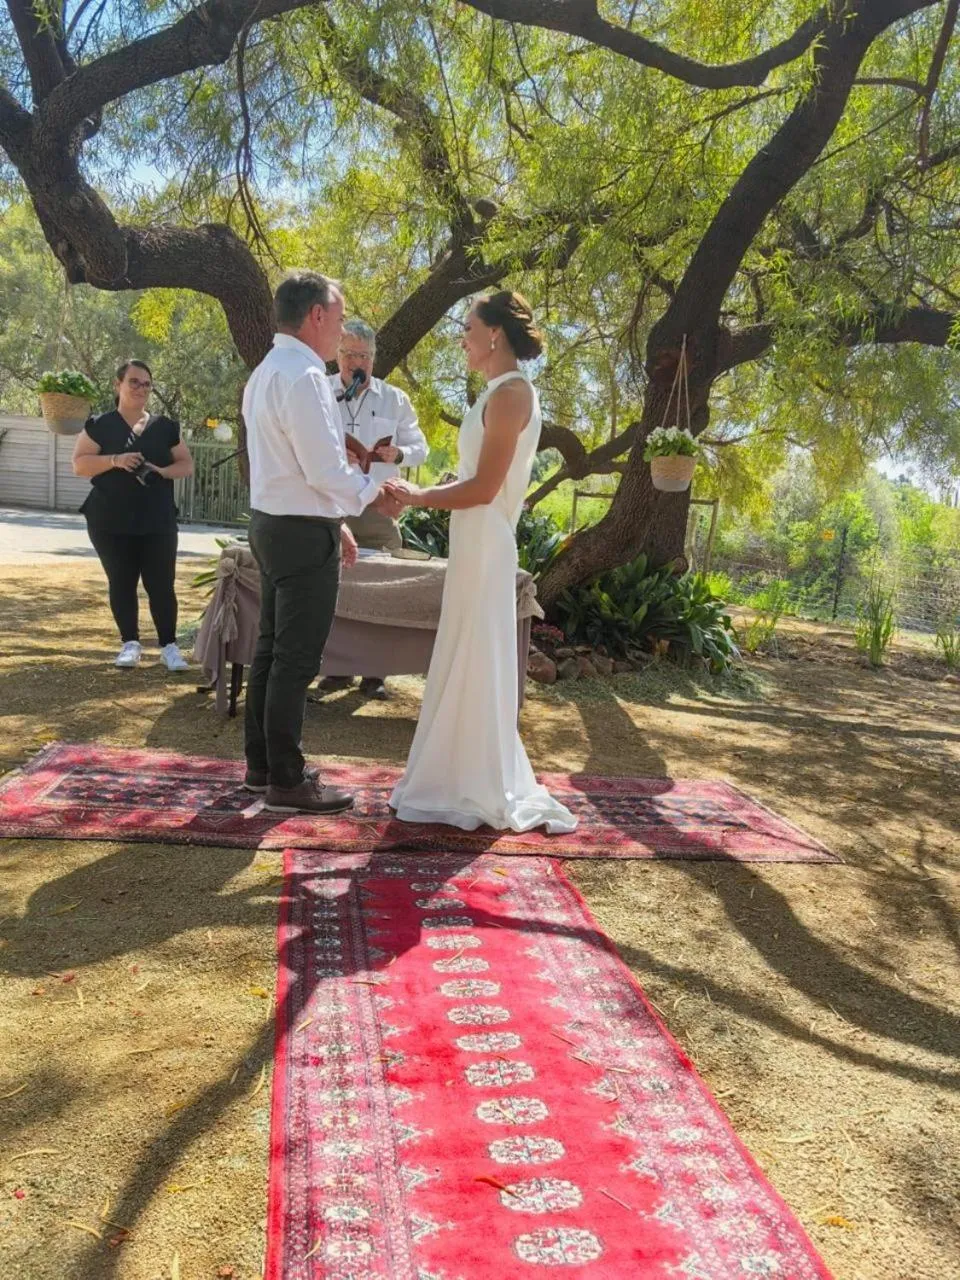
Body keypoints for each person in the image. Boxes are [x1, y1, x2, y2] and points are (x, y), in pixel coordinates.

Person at [388, 292, 578, 834]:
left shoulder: (513, 393)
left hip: (488, 543)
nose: (462, 338)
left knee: (476, 656)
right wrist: (437, 488)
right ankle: (450, 775)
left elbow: (488, 488)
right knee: (462, 653)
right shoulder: (497, 392)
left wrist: (419, 497)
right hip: (472, 541)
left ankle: (472, 782)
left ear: (495, 333)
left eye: (467, 327)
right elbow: (473, 478)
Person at [241, 269, 405, 816]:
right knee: (295, 657)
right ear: (315, 316)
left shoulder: (265, 372)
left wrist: (339, 515)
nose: (340, 334)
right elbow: (325, 470)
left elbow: (290, 467)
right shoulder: (306, 377)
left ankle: (261, 766)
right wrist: (374, 492)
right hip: (299, 533)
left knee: (270, 648)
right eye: (337, 319)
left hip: (270, 524)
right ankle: (287, 779)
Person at [317, 319, 430, 700]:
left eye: (362, 355)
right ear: (337, 355)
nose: (354, 362)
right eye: (347, 353)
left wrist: (399, 453)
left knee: (381, 586)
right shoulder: (322, 392)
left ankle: (374, 673)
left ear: (373, 358)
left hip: (379, 504)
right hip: (334, 503)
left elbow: (420, 446)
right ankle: (335, 669)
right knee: (332, 588)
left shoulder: (394, 399)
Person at [72, 359, 194, 671]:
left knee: (161, 584)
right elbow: (80, 464)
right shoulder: (100, 424)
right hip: (109, 520)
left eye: (146, 384)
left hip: (157, 519)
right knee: (122, 581)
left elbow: (186, 465)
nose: (140, 388)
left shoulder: (165, 427)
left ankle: (169, 647)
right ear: (118, 385)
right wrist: (115, 460)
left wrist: (162, 471)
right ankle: (130, 644)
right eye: (133, 382)